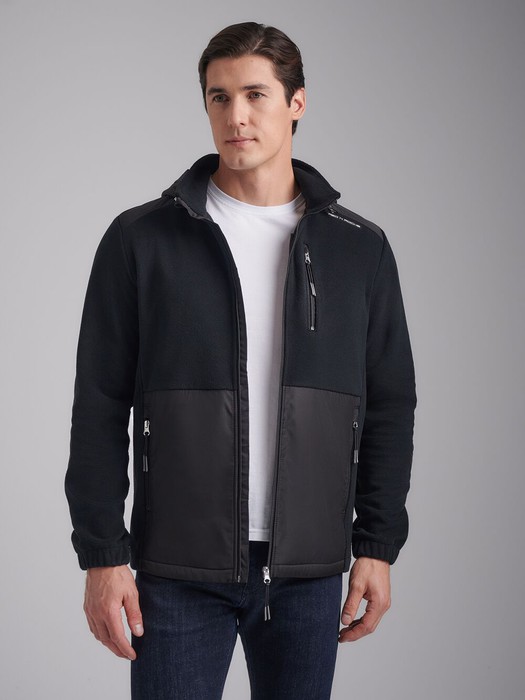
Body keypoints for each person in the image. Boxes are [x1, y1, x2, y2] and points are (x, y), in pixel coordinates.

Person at [65, 21, 416, 700]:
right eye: (218, 97)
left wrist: (376, 545)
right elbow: (99, 402)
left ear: (296, 102)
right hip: (175, 570)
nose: (236, 116)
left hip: (307, 573)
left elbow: (389, 405)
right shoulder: (142, 239)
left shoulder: (358, 249)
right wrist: (103, 554)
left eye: (255, 94)